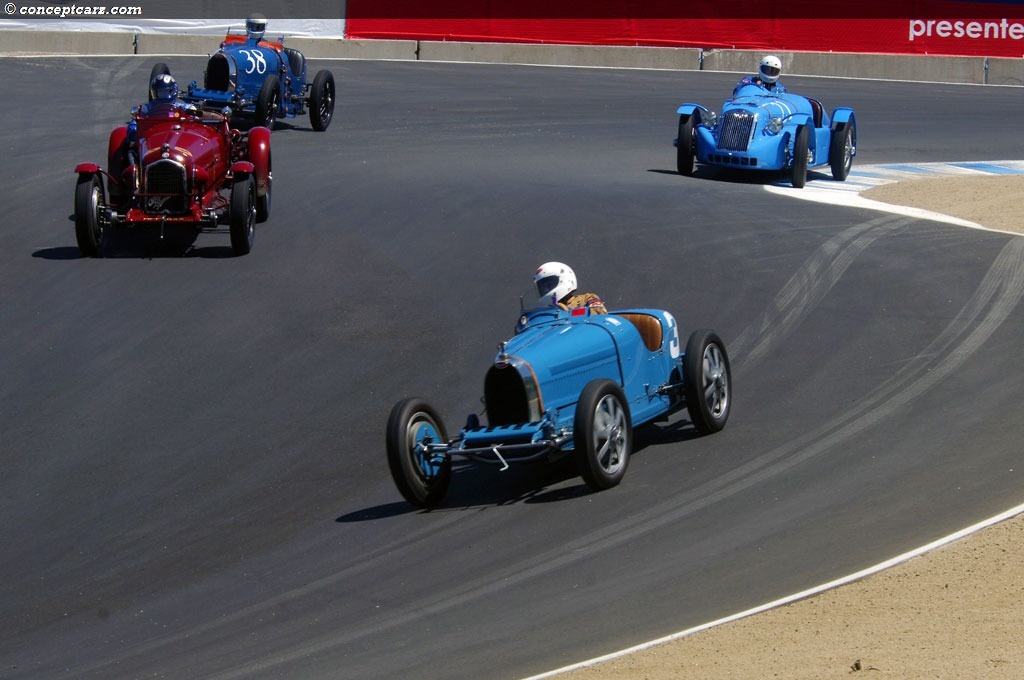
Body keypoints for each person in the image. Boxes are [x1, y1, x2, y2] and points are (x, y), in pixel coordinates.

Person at [534, 262, 607, 314]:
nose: (546, 288)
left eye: (550, 284)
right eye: (543, 286)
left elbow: (598, 315)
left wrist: (567, 312)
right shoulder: (546, 311)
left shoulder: (587, 299)